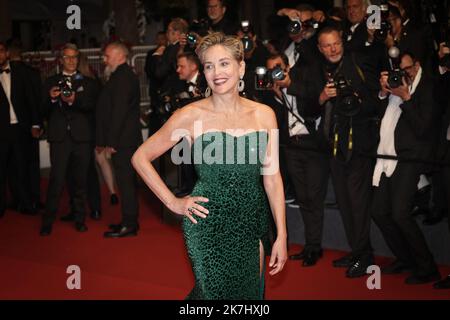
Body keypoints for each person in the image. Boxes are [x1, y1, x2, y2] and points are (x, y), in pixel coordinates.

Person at [132, 32, 287, 299]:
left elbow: (272, 178)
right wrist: (173, 202)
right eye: (209, 65)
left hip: (253, 221)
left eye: (224, 63)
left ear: (241, 67)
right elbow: (140, 157)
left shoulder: (264, 115)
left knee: (247, 296)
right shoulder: (190, 116)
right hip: (208, 224)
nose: (217, 72)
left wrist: (282, 234)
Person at [315, 26, 381, 278]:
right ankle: (357, 251)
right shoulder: (321, 70)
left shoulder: (358, 64)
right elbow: (311, 107)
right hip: (334, 147)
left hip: (358, 147)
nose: (332, 49)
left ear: (342, 42)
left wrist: (352, 100)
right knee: (344, 203)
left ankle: (365, 257)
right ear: (320, 48)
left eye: (336, 44)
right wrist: (322, 96)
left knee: (358, 204)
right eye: (327, 45)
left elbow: (377, 102)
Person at [372, 52, 440, 285]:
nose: (403, 75)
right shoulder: (393, 88)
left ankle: (427, 267)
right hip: (386, 156)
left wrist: (406, 98)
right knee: (379, 211)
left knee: (400, 213)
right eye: (398, 72)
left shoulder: (428, 87)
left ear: (417, 65)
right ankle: (406, 258)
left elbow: (423, 128)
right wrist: (384, 93)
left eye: (407, 70)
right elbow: (377, 118)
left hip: (411, 157)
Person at [40, 43, 98, 236]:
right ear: (61, 60)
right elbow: (41, 110)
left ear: (78, 58)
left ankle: (80, 219)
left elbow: (91, 106)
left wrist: (74, 100)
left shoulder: (88, 82)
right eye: (67, 57)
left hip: (81, 138)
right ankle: (47, 221)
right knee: (56, 180)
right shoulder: (50, 81)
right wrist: (52, 98)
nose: (71, 61)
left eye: (75, 57)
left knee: (80, 181)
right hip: (59, 138)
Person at [96, 41, 142, 238]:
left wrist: (112, 142)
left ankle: (130, 224)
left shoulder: (123, 77)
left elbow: (119, 112)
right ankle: (128, 221)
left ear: (119, 56)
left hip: (123, 141)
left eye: (107, 55)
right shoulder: (120, 75)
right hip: (123, 139)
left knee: (126, 182)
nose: (104, 59)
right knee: (125, 182)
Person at [0, 41, 39, 218]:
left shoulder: (21, 73)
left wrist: (35, 124)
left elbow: (31, 99)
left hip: (20, 128)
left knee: (22, 167)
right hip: (1, 131)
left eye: (0, 51)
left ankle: (24, 203)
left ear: (7, 53)